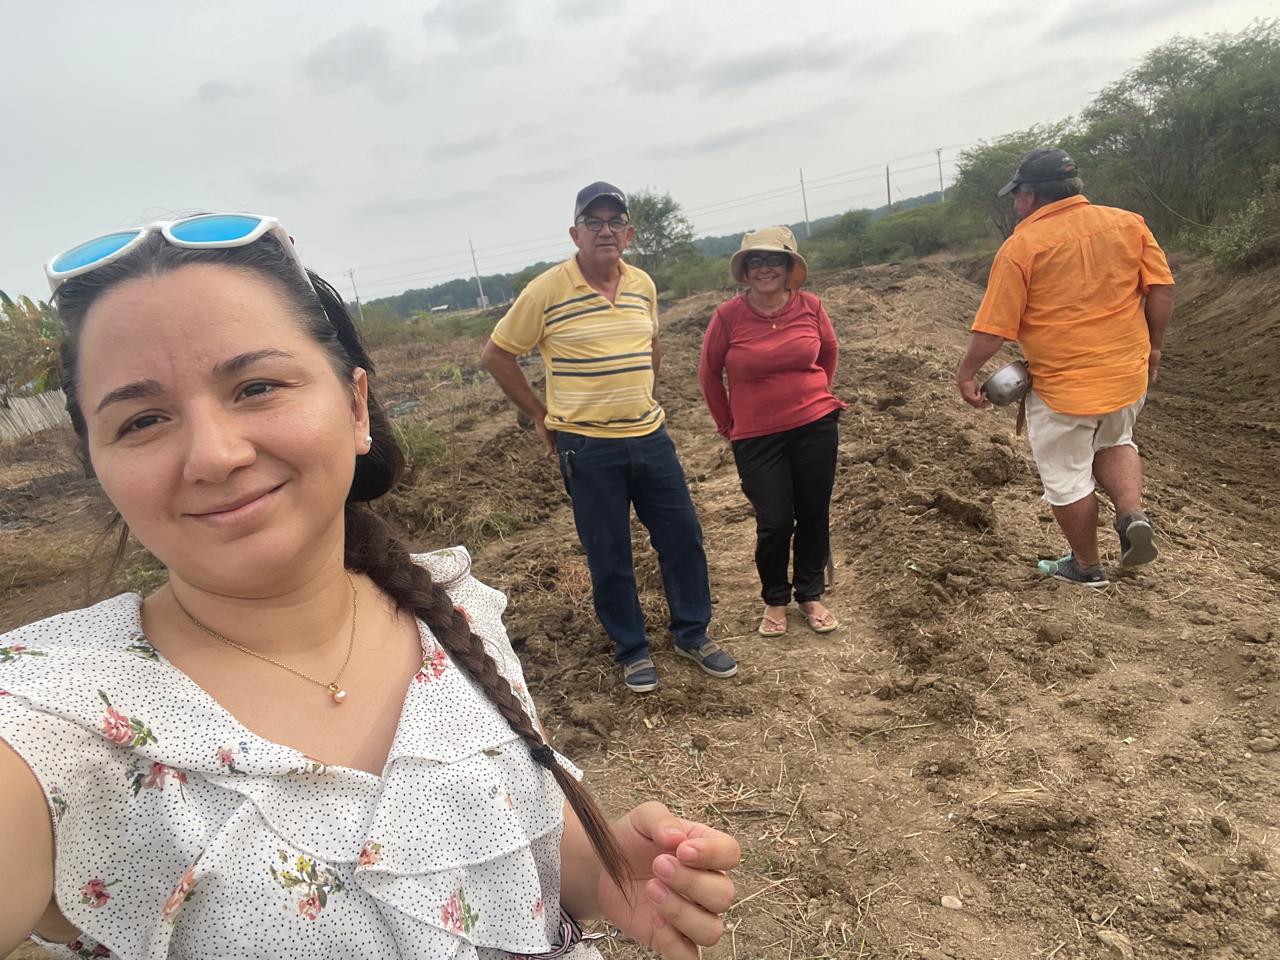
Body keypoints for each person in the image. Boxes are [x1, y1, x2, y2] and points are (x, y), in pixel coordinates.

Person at [0, 213, 740, 960]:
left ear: (356, 407)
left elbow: (528, 851)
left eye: (256, 387)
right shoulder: (49, 719)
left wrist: (604, 874)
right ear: (97, 463)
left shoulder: (452, 612)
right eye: (142, 420)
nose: (215, 455)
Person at [481, 183, 737, 694]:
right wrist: (539, 414)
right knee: (609, 551)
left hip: (650, 435)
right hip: (587, 447)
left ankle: (692, 633)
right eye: (593, 222)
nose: (605, 230)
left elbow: (652, 343)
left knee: (683, 538)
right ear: (575, 233)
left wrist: (640, 392)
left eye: (614, 221)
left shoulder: (642, 284)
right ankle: (632, 649)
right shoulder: (546, 291)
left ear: (629, 233)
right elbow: (497, 355)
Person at [955, 148, 1175, 587]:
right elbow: (1161, 290)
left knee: (1067, 476)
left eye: (1016, 195)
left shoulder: (1021, 248)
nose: (1015, 204)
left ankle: (1086, 567)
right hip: (1126, 372)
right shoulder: (1128, 223)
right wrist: (1154, 350)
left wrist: (966, 374)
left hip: (1063, 387)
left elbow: (993, 330)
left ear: (1032, 195)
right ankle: (1131, 515)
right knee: (1116, 441)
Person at [698, 226, 845, 638]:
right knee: (775, 520)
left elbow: (829, 352)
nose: (765, 268)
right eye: (756, 261)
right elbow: (709, 374)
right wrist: (728, 424)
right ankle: (775, 598)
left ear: (788, 266)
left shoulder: (811, 306)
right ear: (745, 271)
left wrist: (816, 395)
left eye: (774, 260)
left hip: (815, 427)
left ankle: (810, 594)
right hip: (756, 436)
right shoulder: (727, 317)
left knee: (813, 512)